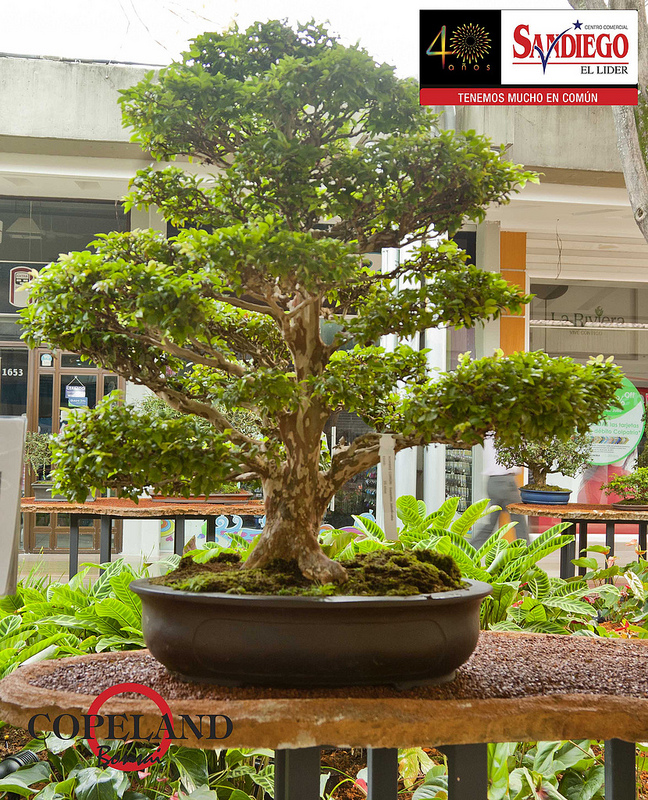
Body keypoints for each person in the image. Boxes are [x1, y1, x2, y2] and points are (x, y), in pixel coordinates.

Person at [471, 433, 529, 550]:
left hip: (492, 481)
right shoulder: (507, 435)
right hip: (506, 481)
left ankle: (470, 548)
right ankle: (526, 550)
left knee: (490, 523)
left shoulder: (488, 436)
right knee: (519, 519)